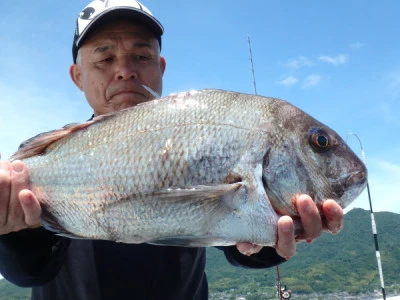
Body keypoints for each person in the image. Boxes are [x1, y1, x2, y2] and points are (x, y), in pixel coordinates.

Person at [0, 1, 344, 299]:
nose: (125, 71)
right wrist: (17, 231)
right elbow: (31, 274)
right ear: (77, 76)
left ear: (160, 67)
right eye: (105, 58)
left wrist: (273, 238)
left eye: (140, 55)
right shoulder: (39, 161)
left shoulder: (196, 135)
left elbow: (236, 243)